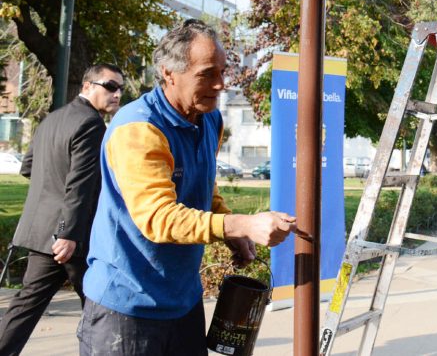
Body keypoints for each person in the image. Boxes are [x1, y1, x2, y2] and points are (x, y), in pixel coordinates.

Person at [77, 20, 296, 355]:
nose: (221, 84)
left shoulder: (210, 119)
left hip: (183, 301)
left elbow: (202, 185)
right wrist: (242, 224)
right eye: (207, 73)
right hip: (126, 307)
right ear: (169, 74)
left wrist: (229, 229)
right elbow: (158, 217)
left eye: (223, 71)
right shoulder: (138, 128)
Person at [0, 64, 124, 356]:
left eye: (120, 88)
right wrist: (66, 233)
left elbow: (29, 168)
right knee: (101, 306)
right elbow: (79, 184)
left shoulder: (51, 119)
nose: (117, 94)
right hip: (71, 239)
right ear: (87, 86)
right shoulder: (91, 123)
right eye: (110, 86)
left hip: (45, 233)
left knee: (26, 306)